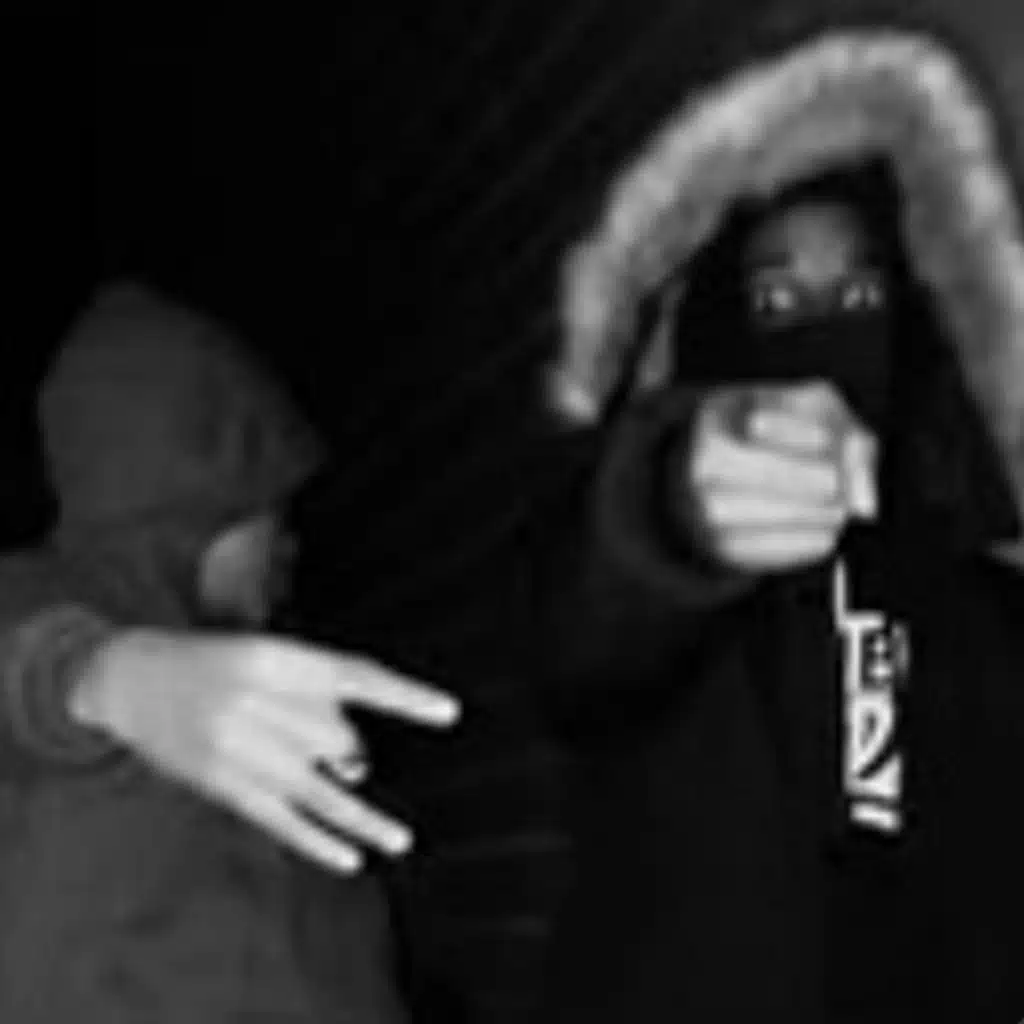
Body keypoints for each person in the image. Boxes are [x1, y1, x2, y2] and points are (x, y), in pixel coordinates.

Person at [539, 10, 1024, 1023]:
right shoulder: (668, 593)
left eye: (856, 292)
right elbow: (581, 623)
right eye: (776, 301)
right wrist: (676, 509)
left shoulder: (980, 607)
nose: (821, 330)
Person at [0, 281, 461, 1022]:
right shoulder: (48, 599)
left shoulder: (271, 699)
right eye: (269, 511)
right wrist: (104, 678)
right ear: (200, 506)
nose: (288, 543)